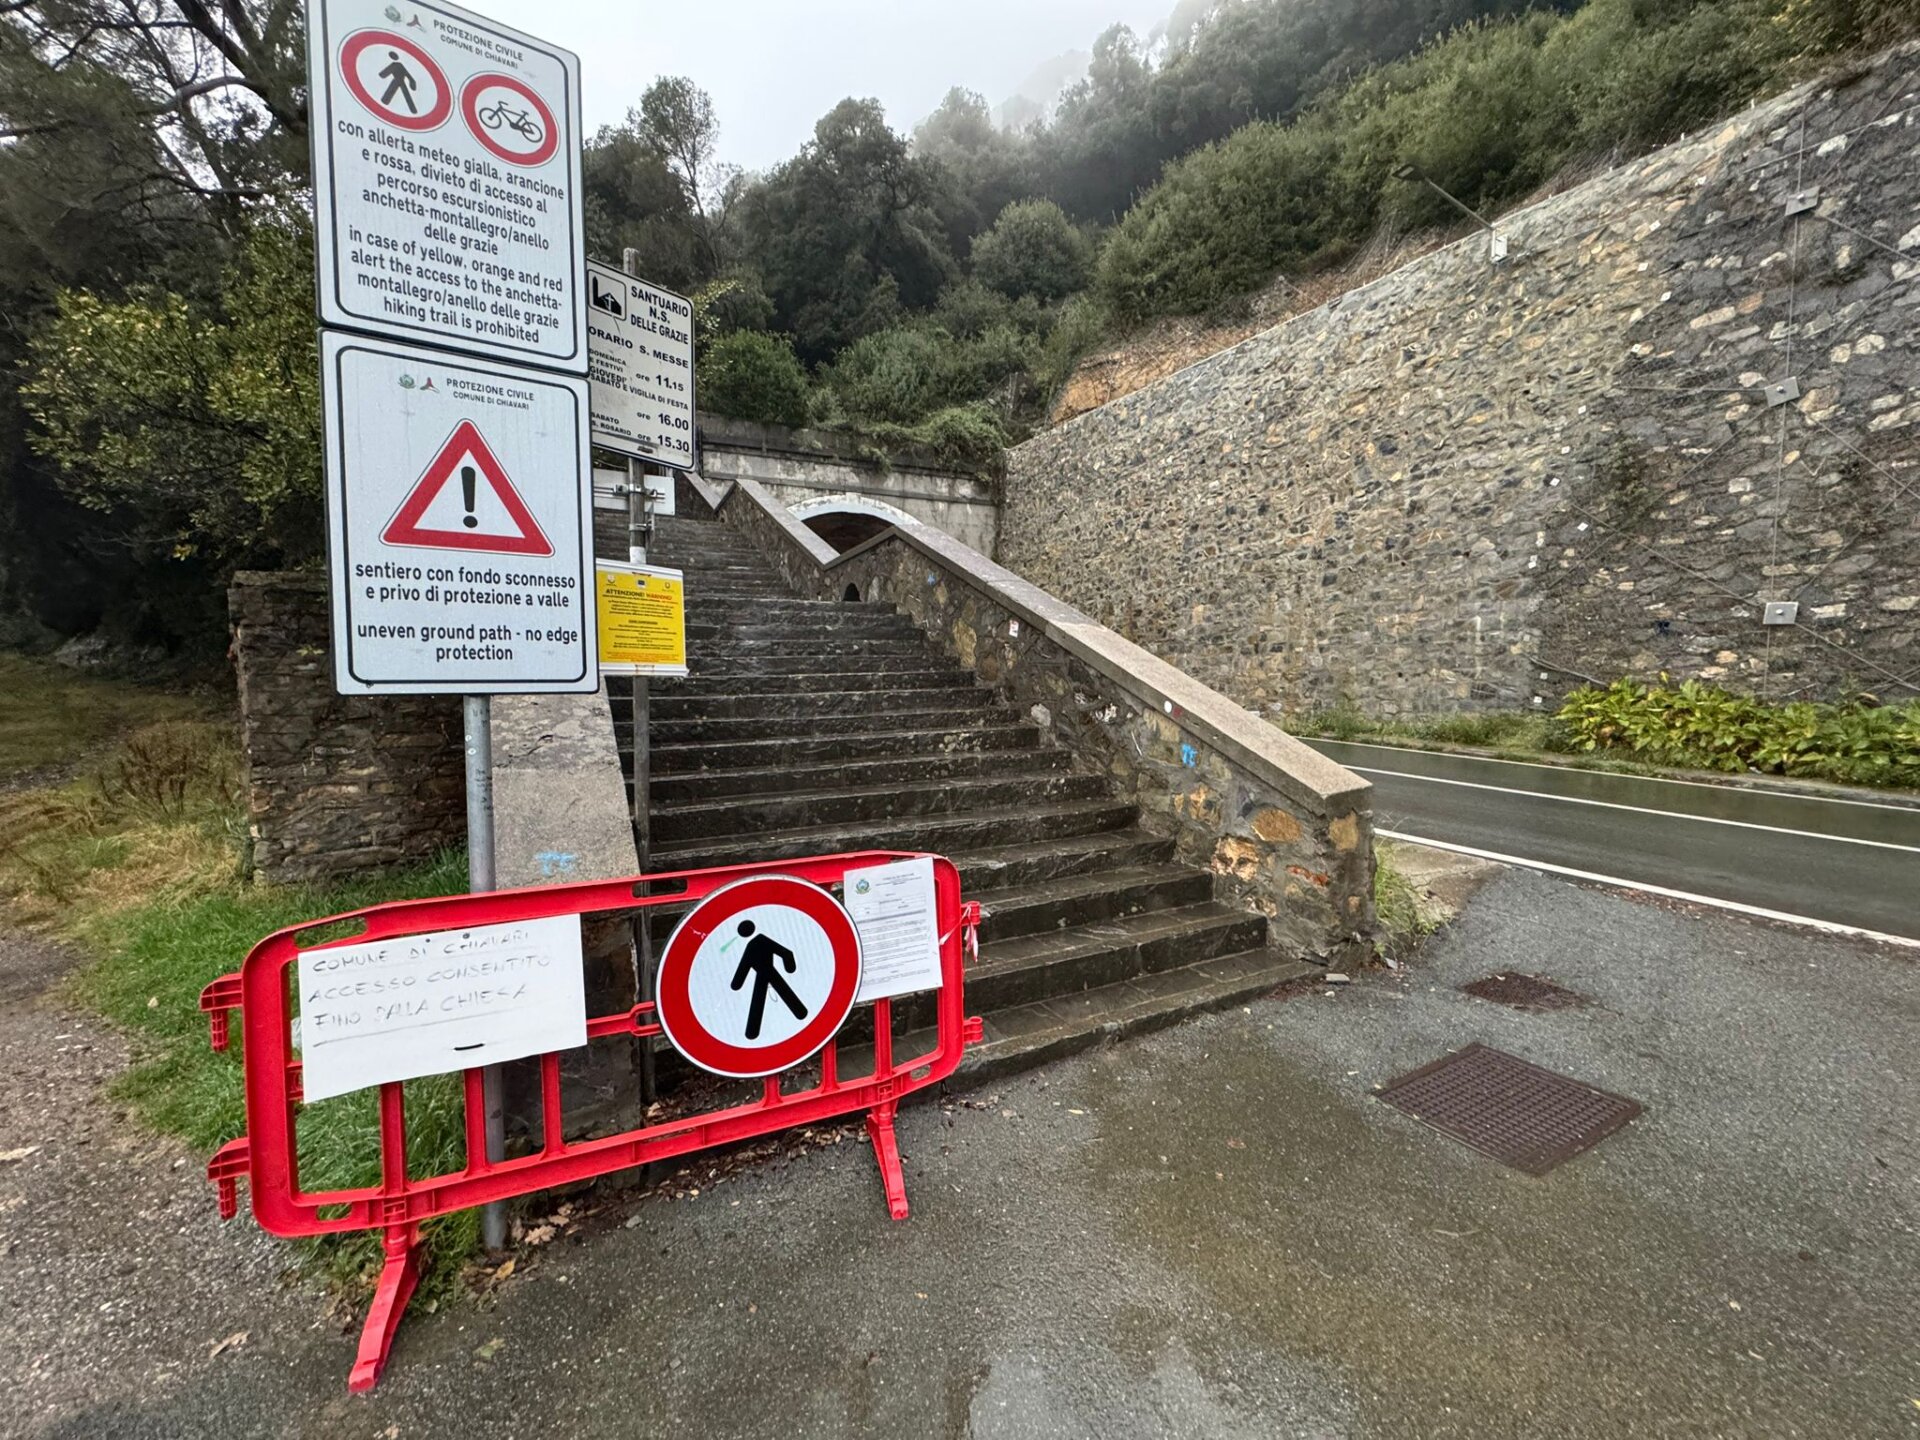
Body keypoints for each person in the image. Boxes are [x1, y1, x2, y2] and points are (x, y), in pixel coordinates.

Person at [729, 921, 807, 1041]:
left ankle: (752, 1032)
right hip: (770, 973)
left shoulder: (753, 945)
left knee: (758, 1000)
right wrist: (789, 967)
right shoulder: (761, 940)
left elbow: (744, 966)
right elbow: (786, 953)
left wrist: (737, 984)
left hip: (763, 974)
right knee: (782, 993)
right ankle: (801, 1013)